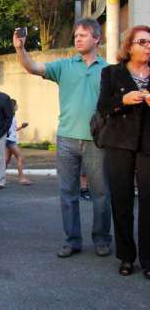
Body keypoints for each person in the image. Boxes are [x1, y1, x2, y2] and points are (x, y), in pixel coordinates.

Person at [13, 18, 112, 258]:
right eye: (76, 34)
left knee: (101, 193)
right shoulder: (65, 66)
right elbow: (33, 67)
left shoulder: (108, 70)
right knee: (68, 193)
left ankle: (101, 239)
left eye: (83, 35)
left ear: (96, 39)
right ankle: (72, 240)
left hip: (96, 141)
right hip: (66, 139)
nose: (77, 38)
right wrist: (20, 48)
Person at [97, 25, 150, 279]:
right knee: (122, 201)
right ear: (129, 46)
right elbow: (102, 107)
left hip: (148, 145)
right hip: (119, 144)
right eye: (143, 42)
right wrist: (122, 101)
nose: (148, 46)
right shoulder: (111, 73)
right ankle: (127, 256)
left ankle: (148, 259)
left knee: (149, 203)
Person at [5, 99, 32, 185]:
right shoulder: (9, 116)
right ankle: (21, 178)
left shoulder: (11, 115)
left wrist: (21, 127)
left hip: (8, 140)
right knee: (20, 157)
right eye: (16, 105)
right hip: (10, 140)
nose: (17, 106)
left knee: (6, 160)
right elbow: (7, 129)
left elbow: (13, 129)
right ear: (13, 107)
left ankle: (0, 178)